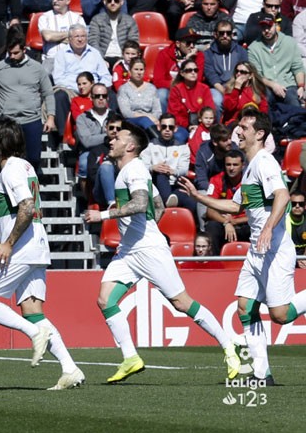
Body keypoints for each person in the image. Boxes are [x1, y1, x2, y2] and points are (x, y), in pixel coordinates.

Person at [84, 121, 240, 384]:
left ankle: (229, 347)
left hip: (148, 250)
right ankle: (131, 358)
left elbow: (142, 203)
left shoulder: (133, 169)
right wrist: (141, 228)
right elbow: (157, 205)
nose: (111, 140)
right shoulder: (133, 170)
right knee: (105, 301)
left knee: (181, 303)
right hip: (130, 250)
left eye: (118, 137)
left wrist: (103, 215)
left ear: (130, 146)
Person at [178, 108, 306, 385]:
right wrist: (198, 196)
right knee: (245, 306)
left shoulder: (265, 162)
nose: (239, 131)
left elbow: (283, 195)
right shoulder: (250, 168)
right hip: (257, 250)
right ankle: (262, 374)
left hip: (273, 247)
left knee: (280, 315)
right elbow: (235, 206)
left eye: (244, 128)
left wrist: (270, 228)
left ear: (259, 134)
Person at [0, 116, 84, 390]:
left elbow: (27, 207)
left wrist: (7, 242)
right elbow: (21, 209)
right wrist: (0, 227)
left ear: (0, 142)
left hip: (22, 250)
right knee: (33, 311)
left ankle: (35, 334)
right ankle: (71, 369)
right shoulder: (25, 166)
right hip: (36, 247)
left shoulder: (10, 169)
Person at [0, 28, 55, 175]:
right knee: (5, 159)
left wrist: (51, 117)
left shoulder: (37, 68)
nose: (13, 56)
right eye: (10, 53)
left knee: (33, 158)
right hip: (7, 121)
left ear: (24, 49)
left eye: (16, 53)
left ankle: (29, 190)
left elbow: (48, 93)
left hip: (31, 120)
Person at [248, 13, 305, 136]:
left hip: (288, 84)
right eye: (263, 28)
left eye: (269, 26)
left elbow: (297, 67)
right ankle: (270, 134)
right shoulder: (254, 48)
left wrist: (301, 85)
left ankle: (297, 134)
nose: (267, 30)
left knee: (293, 100)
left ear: (276, 25)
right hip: (266, 85)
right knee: (265, 100)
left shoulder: (289, 42)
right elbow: (257, 74)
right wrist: (273, 85)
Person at [140, 113, 194, 211]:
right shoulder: (150, 145)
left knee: (191, 202)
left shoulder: (183, 147)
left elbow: (184, 169)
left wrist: (173, 171)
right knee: (161, 172)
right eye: (164, 126)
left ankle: (198, 226)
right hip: (155, 183)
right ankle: (168, 199)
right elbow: (142, 166)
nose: (167, 130)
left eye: (171, 127)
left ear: (175, 128)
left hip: (175, 183)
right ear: (159, 127)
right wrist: (153, 168)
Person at [76, 83, 118, 196]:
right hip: (89, 151)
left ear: (108, 98)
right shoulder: (82, 118)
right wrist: (108, 136)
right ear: (91, 97)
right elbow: (87, 141)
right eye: (97, 96)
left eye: (104, 96)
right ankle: (87, 198)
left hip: (111, 149)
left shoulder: (115, 116)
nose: (101, 98)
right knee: (84, 163)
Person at [204, 149, 250, 252]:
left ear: (243, 166)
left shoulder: (250, 182)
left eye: (235, 165)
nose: (231, 168)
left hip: (244, 223)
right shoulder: (216, 180)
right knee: (212, 227)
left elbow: (257, 212)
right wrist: (226, 222)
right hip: (223, 222)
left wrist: (235, 221)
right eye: (228, 165)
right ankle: (214, 265)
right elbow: (210, 211)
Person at [153, 27, 204, 112]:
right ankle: (166, 122)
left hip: (192, 91)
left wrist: (189, 61)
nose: (191, 46)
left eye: (194, 42)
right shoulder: (164, 54)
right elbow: (158, 81)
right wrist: (178, 85)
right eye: (188, 43)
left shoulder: (199, 56)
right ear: (178, 44)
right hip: (170, 89)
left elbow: (197, 79)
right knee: (161, 94)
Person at [204, 19, 247, 117]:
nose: (225, 36)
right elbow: (212, 77)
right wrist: (225, 93)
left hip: (237, 86)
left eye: (228, 33)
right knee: (217, 100)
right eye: (221, 33)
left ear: (232, 35)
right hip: (217, 88)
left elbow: (245, 71)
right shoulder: (208, 54)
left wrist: (235, 89)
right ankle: (219, 129)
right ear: (215, 35)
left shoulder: (241, 51)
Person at [87, 0, 139, 69]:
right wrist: (101, 59)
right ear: (104, 1)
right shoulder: (97, 19)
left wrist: (122, 61)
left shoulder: (130, 21)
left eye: (116, 0)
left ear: (122, 2)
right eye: (109, 0)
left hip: (123, 59)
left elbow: (133, 43)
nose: (113, 3)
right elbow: (93, 41)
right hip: (103, 57)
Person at [167, 57, 214, 144]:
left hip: (203, 125)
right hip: (183, 126)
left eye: (195, 70)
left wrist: (200, 126)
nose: (193, 72)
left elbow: (210, 109)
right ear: (182, 73)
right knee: (179, 136)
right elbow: (174, 113)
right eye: (189, 70)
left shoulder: (204, 88)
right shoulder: (176, 89)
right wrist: (188, 126)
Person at [37, 0, 85, 65]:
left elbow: (80, 41)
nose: (55, 0)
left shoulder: (78, 19)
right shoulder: (44, 17)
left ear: (68, 1)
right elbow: (48, 37)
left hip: (73, 59)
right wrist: (71, 34)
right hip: (51, 59)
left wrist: (55, 37)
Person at [117, 58, 161, 136]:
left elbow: (157, 111)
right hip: (132, 121)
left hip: (151, 121)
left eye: (141, 69)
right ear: (130, 71)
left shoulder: (152, 88)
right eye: (136, 69)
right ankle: (157, 140)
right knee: (144, 120)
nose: (139, 72)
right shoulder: (123, 89)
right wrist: (147, 117)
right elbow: (126, 113)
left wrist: (153, 118)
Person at [222, 61, 268, 126]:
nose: (238, 74)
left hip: (252, 124)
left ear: (250, 76)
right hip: (233, 123)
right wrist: (236, 88)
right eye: (237, 71)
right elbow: (229, 107)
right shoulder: (230, 89)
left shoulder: (257, 91)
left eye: (242, 72)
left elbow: (263, 111)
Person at [287, 191, 306, 268]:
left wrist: (304, 258)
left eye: (300, 204)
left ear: (305, 205)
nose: (297, 206)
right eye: (293, 204)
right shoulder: (282, 221)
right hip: (286, 258)